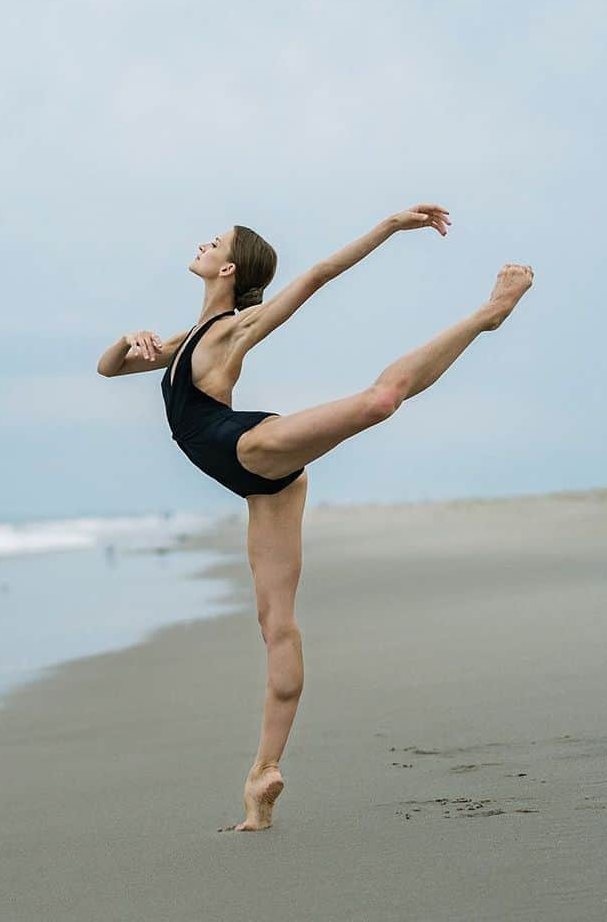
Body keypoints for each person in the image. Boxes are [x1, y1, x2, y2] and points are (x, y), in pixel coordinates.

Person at [97, 208, 534, 831]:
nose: (203, 241)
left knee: (378, 402)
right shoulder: (180, 342)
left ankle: (487, 315)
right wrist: (129, 340)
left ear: (227, 268)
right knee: (275, 623)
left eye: (214, 241)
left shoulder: (235, 328)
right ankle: (262, 778)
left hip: (250, 448)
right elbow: (109, 368)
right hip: (262, 487)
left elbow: (320, 275)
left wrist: (388, 227)